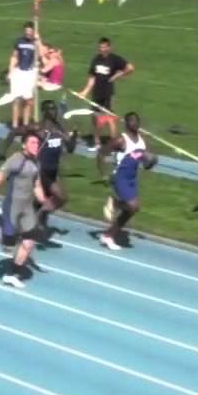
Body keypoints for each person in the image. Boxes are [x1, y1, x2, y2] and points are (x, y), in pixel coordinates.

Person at [0, 133, 46, 289]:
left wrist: (43, 199)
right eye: (33, 142)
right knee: (8, 243)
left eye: (38, 143)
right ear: (24, 145)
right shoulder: (15, 160)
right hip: (12, 207)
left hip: (27, 209)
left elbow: (37, 184)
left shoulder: (36, 163)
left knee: (29, 243)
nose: (37, 145)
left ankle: (11, 275)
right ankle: (0, 217)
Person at [3, 100, 77, 230]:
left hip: (53, 171)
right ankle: (40, 216)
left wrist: (74, 137)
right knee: (60, 197)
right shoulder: (38, 128)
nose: (54, 112)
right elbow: (14, 132)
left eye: (55, 109)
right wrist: (2, 151)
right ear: (44, 112)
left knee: (44, 201)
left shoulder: (59, 128)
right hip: (41, 170)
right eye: (50, 109)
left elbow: (70, 149)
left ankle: (22, 219)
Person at [97, 113, 157, 251]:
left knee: (132, 210)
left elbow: (145, 163)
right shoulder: (121, 141)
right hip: (120, 177)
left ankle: (108, 235)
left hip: (132, 179)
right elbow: (101, 153)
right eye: (132, 121)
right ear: (126, 123)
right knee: (133, 206)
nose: (135, 123)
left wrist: (151, 162)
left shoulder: (142, 141)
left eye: (137, 121)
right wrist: (103, 175)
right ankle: (115, 202)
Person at [77, 38, 134, 151]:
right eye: (100, 47)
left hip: (108, 93)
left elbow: (130, 68)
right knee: (96, 118)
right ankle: (97, 143)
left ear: (109, 47)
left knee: (110, 119)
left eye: (104, 47)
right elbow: (92, 78)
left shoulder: (114, 59)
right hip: (96, 93)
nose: (101, 49)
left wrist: (117, 75)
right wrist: (85, 91)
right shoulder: (96, 59)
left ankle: (114, 145)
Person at [5, 22, 41, 129]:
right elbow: (14, 57)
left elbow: (41, 54)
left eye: (30, 31)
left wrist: (38, 40)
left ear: (33, 31)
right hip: (19, 72)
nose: (28, 33)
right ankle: (15, 125)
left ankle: (25, 125)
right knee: (16, 99)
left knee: (28, 101)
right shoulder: (19, 42)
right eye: (26, 31)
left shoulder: (35, 43)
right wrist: (10, 71)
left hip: (30, 73)